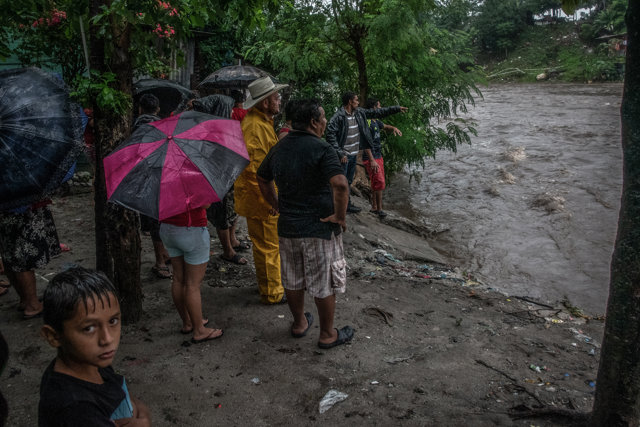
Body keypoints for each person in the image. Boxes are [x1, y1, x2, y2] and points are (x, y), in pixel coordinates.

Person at [257, 98, 354, 349]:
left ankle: (299, 323)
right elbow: (341, 185)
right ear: (313, 122)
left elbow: (262, 177)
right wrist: (340, 217)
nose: (324, 123)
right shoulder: (322, 149)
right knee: (323, 283)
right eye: (322, 119)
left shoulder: (279, 147)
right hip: (319, 227)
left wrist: (276, 203)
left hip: (288, 226)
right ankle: (327, 335)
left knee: (292, 279)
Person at [38, 267, 151, 426]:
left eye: (113, 321)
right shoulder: (74, 409)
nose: (107, 339)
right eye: (89, 328)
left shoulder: (91, 363)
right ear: (54, 336)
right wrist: (143, 421)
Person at [235, 76, 288, 304]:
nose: (279, 101)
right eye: (276, 97)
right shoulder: (255, 127)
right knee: (267, 246)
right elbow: (256, 171)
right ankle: (272, 293)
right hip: (261, 198)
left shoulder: (261, 121)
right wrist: (271, 200)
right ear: (265, 102)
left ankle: (270, 285)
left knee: (268, 244)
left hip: (261, 195)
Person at [325, 92, 407, 213]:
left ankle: (347, 205)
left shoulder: (359, 113)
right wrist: (340, 153)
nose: (358, 102)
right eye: (356, 100)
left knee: (347, 181)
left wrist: (397, 109)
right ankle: (336, 207)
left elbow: (378, 112)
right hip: (344, 156)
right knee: (340, 182)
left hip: (353, 154)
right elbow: (330, 134)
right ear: (350, 102)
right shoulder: (338, 117)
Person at [192, 95, 248, 266]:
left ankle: (232, 241)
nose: (232, 111)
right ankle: (228, 251)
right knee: (222, 212)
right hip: (217, 178)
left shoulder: (223, 126)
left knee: (231, 209)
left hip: (229, 175)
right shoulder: (210, 130)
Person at [159, 203, 223, 342]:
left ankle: (187, 322)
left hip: (167, 228)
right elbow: (206, 204)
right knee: (192, 284)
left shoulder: (163, 181)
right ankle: (199, 330)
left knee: (178, 278)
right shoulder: (192, 180)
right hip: (191, 228)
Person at [0, 200, 61, 319]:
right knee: (23, 256)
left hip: (5, 209)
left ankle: (25, 299)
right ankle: (32, 305)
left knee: (10, 254)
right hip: (18, 206)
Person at [134, 93, 172, 279]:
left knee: (153, 219)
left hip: (144, 177)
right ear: (157, 109)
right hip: (161, 175)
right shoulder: (162, 126)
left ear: (140, 108)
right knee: (160, 218)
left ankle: (161, 259)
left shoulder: (135, 128)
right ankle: (162, 258)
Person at [364, 98, 403, 218]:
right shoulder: (368, 122)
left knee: (376, 181)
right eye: (379, 106)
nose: (380, 108)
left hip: (378, 155)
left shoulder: (376, 121)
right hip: (371, 157)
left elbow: (384, 126)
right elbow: (365, 142)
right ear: (374, 108)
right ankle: (379, 209)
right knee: (380, 182)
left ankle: (374, 207)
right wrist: (371, 160)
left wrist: (393, 128)